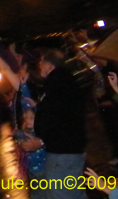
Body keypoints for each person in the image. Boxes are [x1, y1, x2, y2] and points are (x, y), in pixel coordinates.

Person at [23, 48, 87, 199]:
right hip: (71, 148)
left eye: (41, 62)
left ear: (49, 65)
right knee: (73, 193)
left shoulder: (57, 85)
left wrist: (41, 140)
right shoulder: (63, 82)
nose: (39, 65)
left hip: (62, 152)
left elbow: (58, 118)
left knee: (60, 193)